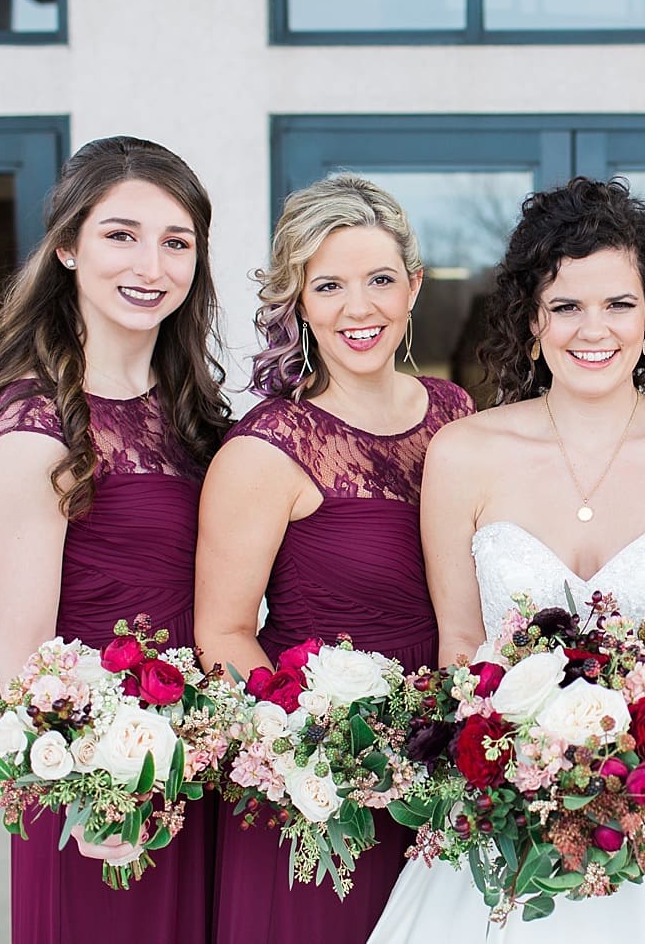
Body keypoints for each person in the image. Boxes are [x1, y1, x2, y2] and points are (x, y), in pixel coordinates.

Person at [369, 177, 645, 943]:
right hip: (502, 830)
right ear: (530, 321)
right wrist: (525, 775)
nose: (595, 329)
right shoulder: (463, 453)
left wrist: (635, 778)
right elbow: (458, 650)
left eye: (618, 304)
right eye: (566, 306)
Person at [0, 136, 231, 943]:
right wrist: (96, 791)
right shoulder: (35, 430)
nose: (152, 264)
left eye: (177, 242)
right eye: (121, 234)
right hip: (104, 787)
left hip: (191, 762)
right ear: (67, 245)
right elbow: (24, 661)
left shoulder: (191, 413)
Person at [196, 174, 473, 944]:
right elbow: (221, 633)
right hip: (321, 789)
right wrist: (318, 755)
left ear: (412, 286)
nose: (359, 308)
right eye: (329, 285)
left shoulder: (457, 416)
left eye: (380, 279)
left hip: (443, 774)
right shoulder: (266, 447)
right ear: (299, 302)